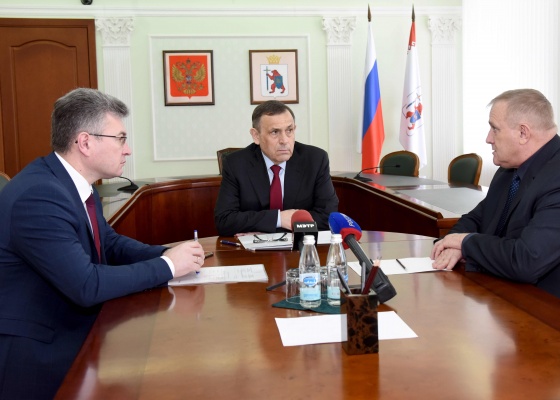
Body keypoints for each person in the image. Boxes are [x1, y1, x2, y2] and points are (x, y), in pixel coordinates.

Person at [0, 88, 206, 399]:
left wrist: (167, 253)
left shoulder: (75, 184)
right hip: (39, 355)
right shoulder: (39, 195)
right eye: (120, 139)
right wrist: (167, 266)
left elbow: (109, 243)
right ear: (85, 142)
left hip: (72, 331)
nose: (128, 150)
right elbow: (85, 284)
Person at [431, 88, 560, 317]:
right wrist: (452, 245)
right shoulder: (509, 170)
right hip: (512, 299)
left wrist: (465, 243)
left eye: (494, 129)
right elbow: (476, 219)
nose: (488, 138)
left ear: (523, 133)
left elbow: (526, 260)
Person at [214, 100, 339, 236]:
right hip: (253, 249)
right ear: (256, 136)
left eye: (289, 130)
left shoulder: (315, 160)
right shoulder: (236, 164)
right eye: (274, 132)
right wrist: (279, 219)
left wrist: (269, 228)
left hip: (300, 245)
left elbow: (328, 217)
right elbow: (224, 220)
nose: (284, 140)